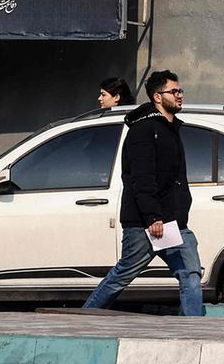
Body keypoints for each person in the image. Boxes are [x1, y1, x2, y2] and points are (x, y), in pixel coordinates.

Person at [83, 70, 203, 316]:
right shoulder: (143, 130)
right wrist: (153, 217)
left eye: (180, 90)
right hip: (145, 223)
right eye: (174, 91)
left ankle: (193, 329)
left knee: (190, 273)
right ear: (157, 97)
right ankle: (85, 317)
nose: (179, 95)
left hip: (173, 222)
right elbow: (141, 179)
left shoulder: (171, 129)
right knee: (124, 273)